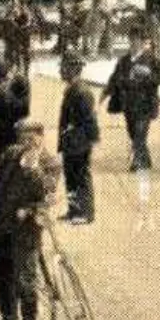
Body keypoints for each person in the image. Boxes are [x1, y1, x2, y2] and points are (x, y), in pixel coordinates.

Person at [0, 119, 56, 320]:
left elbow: (47, 196)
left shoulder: (49, 163)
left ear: (41, 137)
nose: (27, 143)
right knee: (2, 277)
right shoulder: (10, 155)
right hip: (3, 224)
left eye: (31, 138)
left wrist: (33, 169)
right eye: (22, 138)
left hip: (27, 230)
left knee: (26, 281)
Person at [105, 35, 160, 172]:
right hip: (129, 104)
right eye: (132, 41)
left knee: (140, 132)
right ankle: (145, 159)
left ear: (142, 43)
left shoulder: (152, 60)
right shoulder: (124, 61)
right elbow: (114, 78)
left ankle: (137, 161)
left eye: (137, 42)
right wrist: (105, 95)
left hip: (146, 104)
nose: (134, 44)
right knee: (133, 132)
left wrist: (148, 75)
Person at [57, 52, 99, 224]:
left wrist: (84, 140)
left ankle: (86, 213)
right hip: (71, 141)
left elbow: (88, 120)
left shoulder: (82, 92)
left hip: (79, 142)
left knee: (81, 177)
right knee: (71, 177)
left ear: (73, 69)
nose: (61, 71)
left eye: (64, 67)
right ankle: (74, 210)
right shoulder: (73, 89)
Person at [0, 59, 31, 208]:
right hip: (10, 134)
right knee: (6, 170)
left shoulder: (10, 85)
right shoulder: (5, 83)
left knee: (6, 171)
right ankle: (1, 207)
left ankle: (1, 208)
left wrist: (0, 91)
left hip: (10, 135)